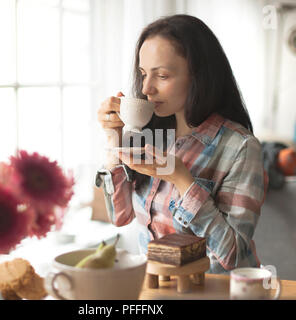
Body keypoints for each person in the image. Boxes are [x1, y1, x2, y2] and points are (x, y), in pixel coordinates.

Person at [95, 14, 268, 274]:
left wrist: (183, 181)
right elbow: (120, 217)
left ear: (199, 76)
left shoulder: (240, 148)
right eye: (143, 74)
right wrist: (113, 138)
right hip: (159, 290)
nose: (146, 89)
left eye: (162, 75)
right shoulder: (150, 136)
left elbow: (234, 256)